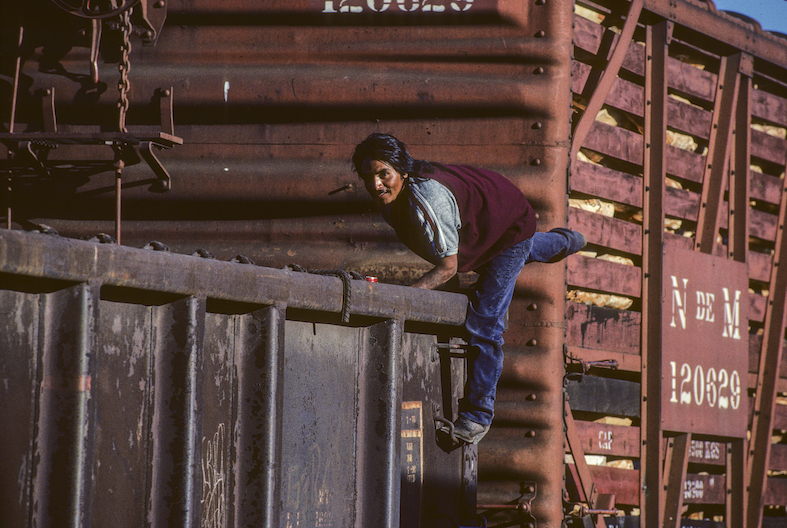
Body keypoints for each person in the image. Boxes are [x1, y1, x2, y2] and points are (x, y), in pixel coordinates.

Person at [352, 133, 586, 446]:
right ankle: (568, 241)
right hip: (485, 226)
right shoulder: (393, 200)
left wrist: (405, 298)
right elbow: (444, 257)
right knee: (526, 248)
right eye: (369, 177)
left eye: (384, 174)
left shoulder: (427, 202)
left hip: (507, 221)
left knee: (485, 321)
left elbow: (447, 266)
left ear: (403, 171)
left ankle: (478, 416)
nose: (377, 184)